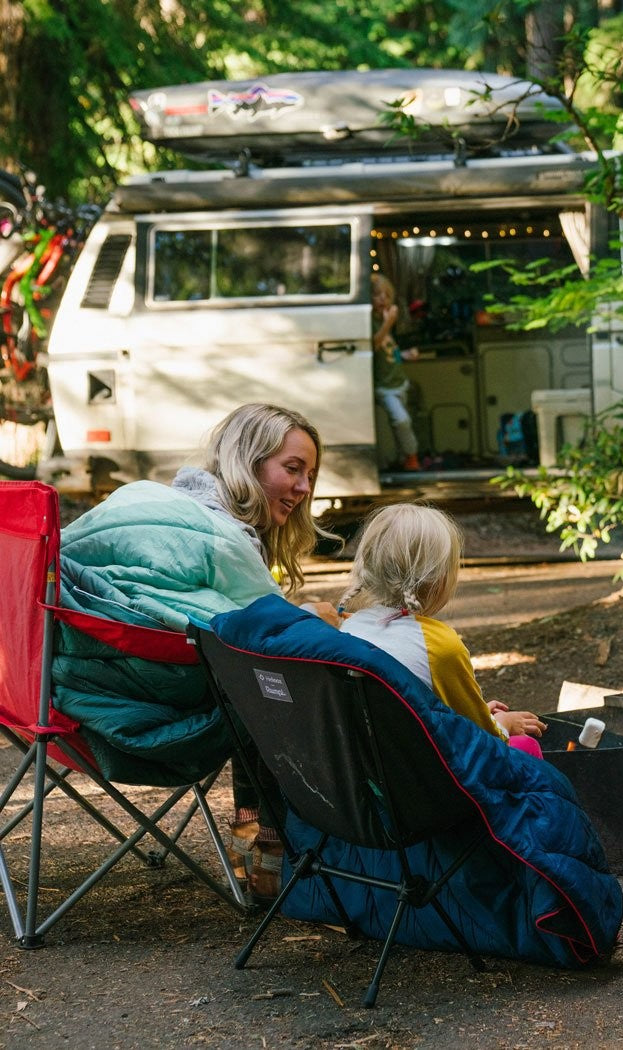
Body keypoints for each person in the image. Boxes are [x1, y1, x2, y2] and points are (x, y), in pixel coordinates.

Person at [53, 403, 340, 903]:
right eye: (292, 469)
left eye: (310, 475)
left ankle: (264, 860)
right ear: (248, 463)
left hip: (46, 688)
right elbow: (265, 639)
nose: (304, 488)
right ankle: (272, 865)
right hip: (135, 703)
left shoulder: (141, 498)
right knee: (272, 690)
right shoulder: (223, 540)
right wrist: (319, 620)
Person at [338, 502, 547, 753]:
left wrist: (479, 713)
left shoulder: (348, 628)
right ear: (439, 578)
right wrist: (501, 723)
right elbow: (482, 734)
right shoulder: (438, 644)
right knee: (526, 746)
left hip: (376, 765)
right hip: (433, 777)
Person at [371, 272, 421, 472]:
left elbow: (389, 351)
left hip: (398, 382)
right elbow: (372, 346)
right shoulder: (375, 322)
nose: (383, 299)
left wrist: (405, 354)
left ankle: (404, 458)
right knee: (401, 420)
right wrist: (388, 323)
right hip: (384, 386)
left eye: (387, 295)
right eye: (377, 295)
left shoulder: (384, 320)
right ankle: (412, 457)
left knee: (401, 424)